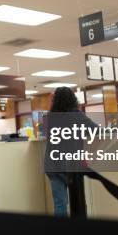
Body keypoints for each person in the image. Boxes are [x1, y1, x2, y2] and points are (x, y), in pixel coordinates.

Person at [45, 87, 97, 217]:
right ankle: (78, 232)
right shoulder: (76, 115)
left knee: (60, 204)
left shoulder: (51, 117)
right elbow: (95, 130)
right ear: (72, 99)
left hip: (53, 165)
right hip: (71, 166)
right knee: (78, 201)